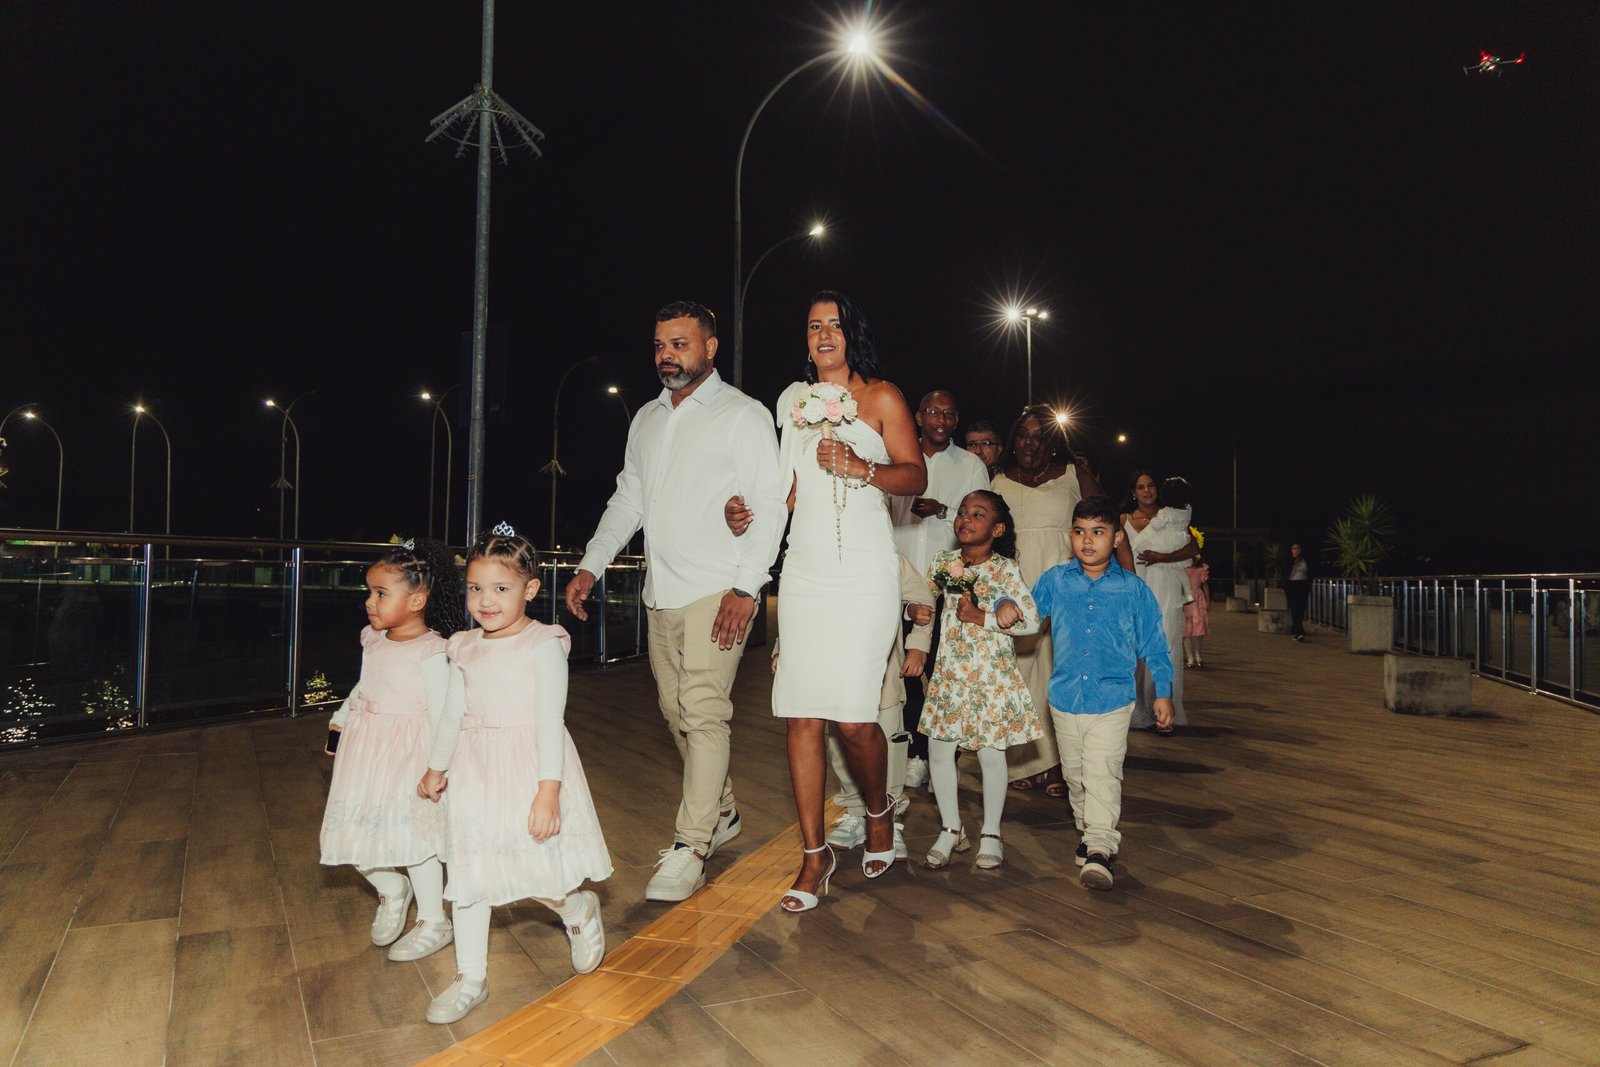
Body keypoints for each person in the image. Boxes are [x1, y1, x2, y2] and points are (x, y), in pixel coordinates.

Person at [566, 301, 785, 903]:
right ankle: (723, 809)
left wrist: (747, 587)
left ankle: (691, 845)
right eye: (660, 344)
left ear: (710, 347)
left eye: (680, 343)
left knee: (705, 713)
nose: (667, 355)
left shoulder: (743, 414)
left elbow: (769, 504)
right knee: (676, 713)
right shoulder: (647, 418)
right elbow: (628, 500)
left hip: (719, 589)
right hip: (660, 593)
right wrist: (591, 564)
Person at [770, 290, 927, 912]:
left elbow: (914, 475)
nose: (823, 335)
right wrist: (749, 516)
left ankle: (879, 810)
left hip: (865, 571)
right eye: (814, 326)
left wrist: (863, 467)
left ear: (851, 333)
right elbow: (786, 490)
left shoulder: (883, 397)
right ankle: (815, 856)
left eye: (834, 325)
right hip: (804, 572)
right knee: (802, 712)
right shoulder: (791, 402)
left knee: (856, 719)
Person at [419, 525, 613, 1024]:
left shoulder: (542, 643)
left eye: (501, 588)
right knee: (469, 870)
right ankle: (470, 976)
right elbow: (452, 715)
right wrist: (437, 766)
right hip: (475, 769)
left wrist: (548, 792)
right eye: (475, 588)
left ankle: (576, 909)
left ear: (530, 589)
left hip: (528, 768)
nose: (485, 600)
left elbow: (550, 721)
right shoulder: (462, 646)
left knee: (534, 868)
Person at [320, 538, 465, 964]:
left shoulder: (433, 652)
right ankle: (391, 888)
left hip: (408, 756)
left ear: (417, 601)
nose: (370, 602)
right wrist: (341, 717)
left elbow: (444, 714)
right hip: (366, 752)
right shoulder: (374, 639)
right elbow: (364, 685)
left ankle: (434, 920)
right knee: (354, 827)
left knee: (415, 841)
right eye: (370, 591)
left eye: (381, 593)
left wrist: (437, 767)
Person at [1031, 497, 1174, 890]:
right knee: (1076, 777)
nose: (1088, 540)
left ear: (1117, 537)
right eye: (1080, 532)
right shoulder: (1056, 580)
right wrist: (1004, 607)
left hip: (1113, 699)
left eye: (1098, 532)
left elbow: (1155, 645)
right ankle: (1088, 832)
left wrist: (1163, 692)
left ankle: (1099, 848)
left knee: (1102, 772)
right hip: (1065, 698)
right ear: (1070, 535)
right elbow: (1026, 616)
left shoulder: (1133, 590)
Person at [991, 405, 1125, 794]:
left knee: (1061, 674)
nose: (1030, 443)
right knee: (1019, 674)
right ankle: (1024, 762)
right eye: (1023, 435)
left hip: (1067, 587)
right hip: (1015, 589)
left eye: (1039, 436)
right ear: (1013, 441)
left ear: (1053, 444)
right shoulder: (998, 481)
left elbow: (1107, 524)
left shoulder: (1073, 476)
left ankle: (1060, 767)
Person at [919, 490, 1040, 871]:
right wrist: (915, 609)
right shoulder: (944, 562)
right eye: (962, 512)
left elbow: (1031, 622)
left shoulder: (1005, 569)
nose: (966, 519)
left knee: (990, 754)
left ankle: (991, 832)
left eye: (978, 514)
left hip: (991, 677)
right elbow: (922, 597)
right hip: (951, 674)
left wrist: (984, 617)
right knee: (940, 750)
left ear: (997, 529)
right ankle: (950, 828)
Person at [887, 390, 991, 790]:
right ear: (918, 416)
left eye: (949, 414)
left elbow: (982, 521)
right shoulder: (897, 457)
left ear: (956, 420)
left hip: (949, 590)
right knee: (906, 677)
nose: (941, 419)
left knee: (947, 679)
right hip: (899, 587)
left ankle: (945, 760)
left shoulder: (970, 464)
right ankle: (917, 753)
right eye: (933, 411)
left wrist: (943, 511)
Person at [1123, 472, 1198, 734]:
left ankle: (1165, 714)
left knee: (1166, 648)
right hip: (1135, 592)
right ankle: (1137, 711)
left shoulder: (1172, 516)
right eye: (1140, 487)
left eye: (1151, 485)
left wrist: (1161, 557)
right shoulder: (1123, 520)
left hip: (1165, 589)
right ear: (1133, 492)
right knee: (1134, 652)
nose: (1147, 491)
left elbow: (1193, 549)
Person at [1184, 554, 1211, 667]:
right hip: (1186, 599)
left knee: (1199, 628)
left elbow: (1205, 586)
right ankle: (1190, 657)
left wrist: (1208, 600)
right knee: (1186, 631)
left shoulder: (1201, 570)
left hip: (1198, 600)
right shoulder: (1183, 569)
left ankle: (1197, 654)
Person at [1286, 542, 1311, 641]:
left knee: (1301, 608)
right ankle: (1300, 632)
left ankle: (1295, 630)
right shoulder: (1289, 560)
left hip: (1303, 584)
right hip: (1292, 585)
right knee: (1294, 607)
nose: (1296, 550)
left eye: (1298, 548)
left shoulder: (1305, 560)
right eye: (1294, 548)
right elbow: (1285, 571)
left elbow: (1310, 571)